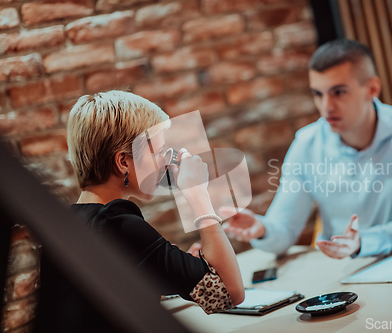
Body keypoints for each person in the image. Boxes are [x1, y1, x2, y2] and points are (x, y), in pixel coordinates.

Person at [35, 91, 244, 332]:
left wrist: (179, 266)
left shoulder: (68, 222)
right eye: (159, 152)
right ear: (123, 162)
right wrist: (198, 195)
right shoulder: (117, 223)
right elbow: (229, 293)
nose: (166, 162)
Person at [221, 39, 392, 258]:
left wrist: (362, 242)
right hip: (337, 270)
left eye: (338, 92)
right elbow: (284, 228)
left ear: (372, 89)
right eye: (318, 94)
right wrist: (262, 230)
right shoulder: (306, 144)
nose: (326, 107)